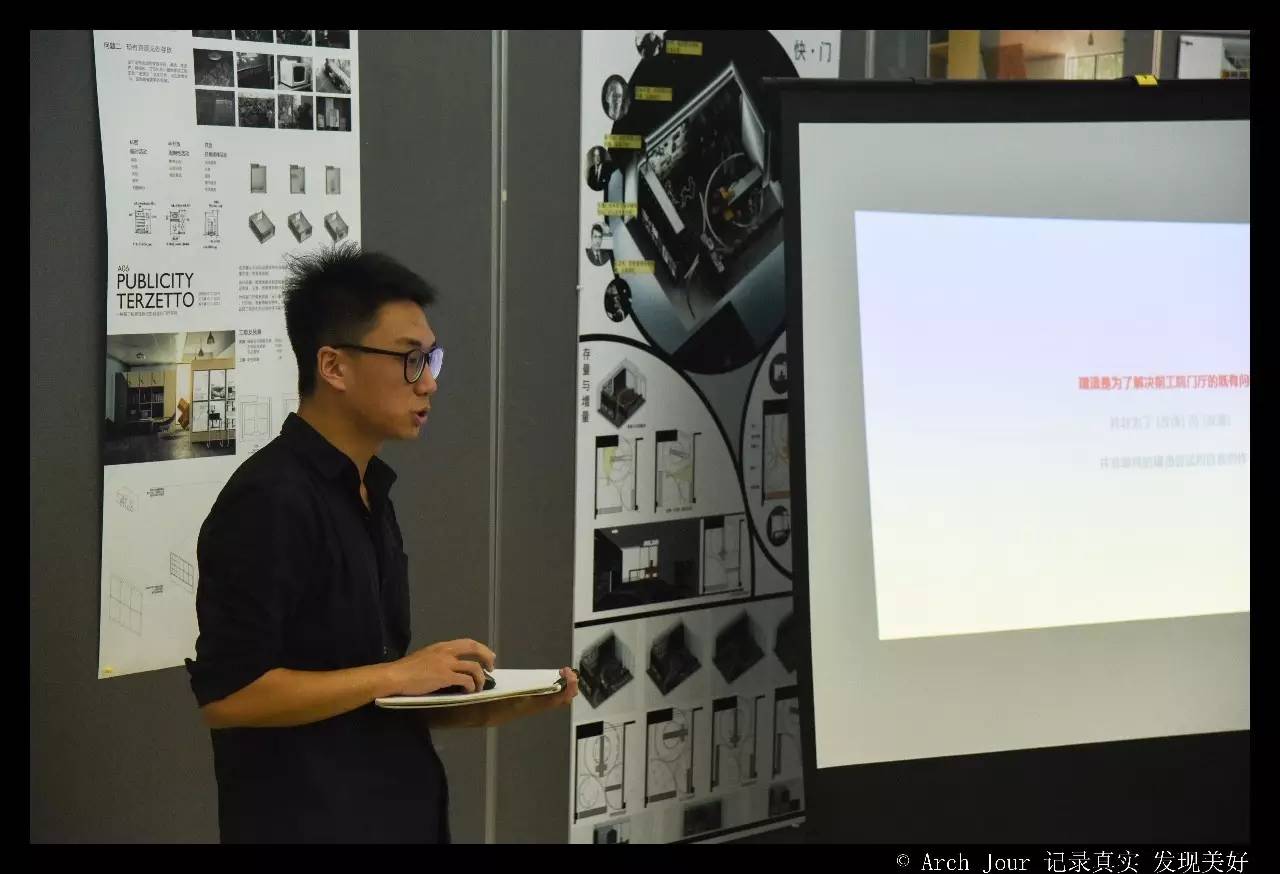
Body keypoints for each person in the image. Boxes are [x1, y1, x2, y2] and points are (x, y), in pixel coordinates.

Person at [185, 242, 578, 843]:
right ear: (334, 367)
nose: (429, 384)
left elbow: (355, 694)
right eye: (410, 360)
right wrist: (398, 674)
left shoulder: (368, 490)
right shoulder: (269, 500)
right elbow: (230, 695)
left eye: (431, 359)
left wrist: (478, 703)